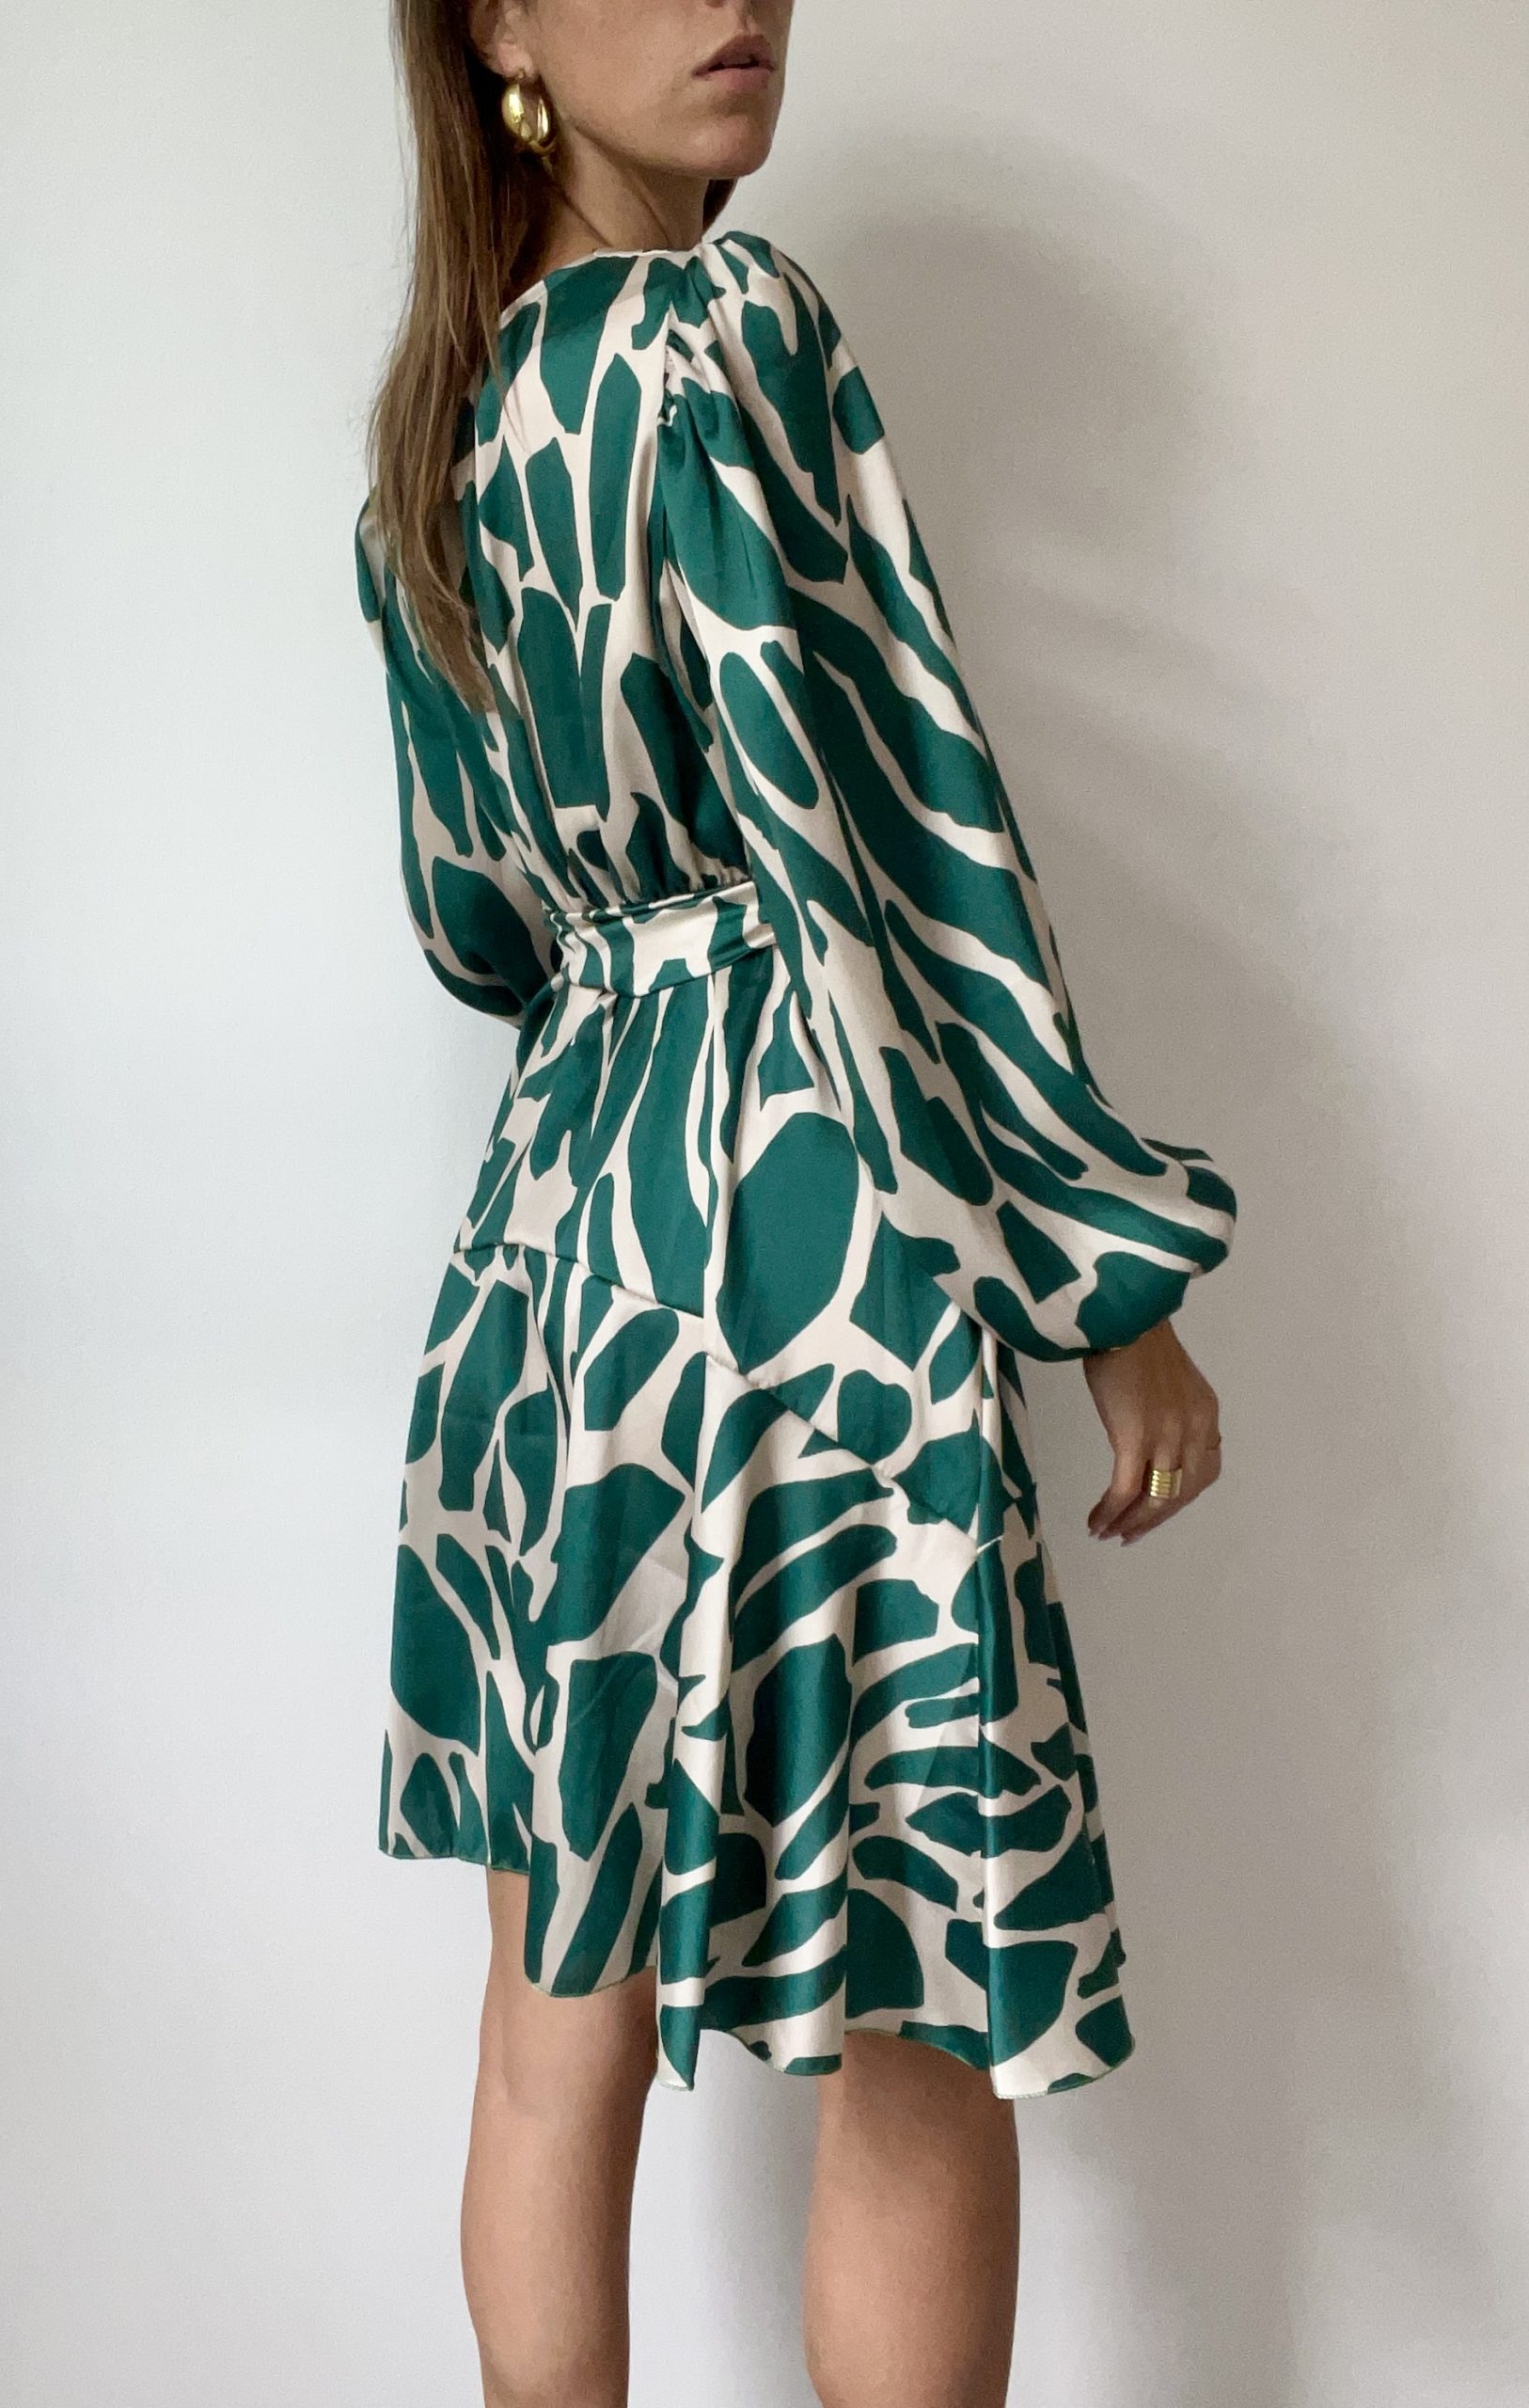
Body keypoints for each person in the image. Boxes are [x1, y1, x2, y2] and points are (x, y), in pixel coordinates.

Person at [352, 6, 1237, 2401]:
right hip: (807, 1209)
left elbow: (468, 919)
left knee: (552, 2023)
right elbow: (907, 847)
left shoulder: (430, 440)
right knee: (913, 2004)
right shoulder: (727, 328)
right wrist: (1103, 1277)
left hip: (560, 1247)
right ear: (498, 25)